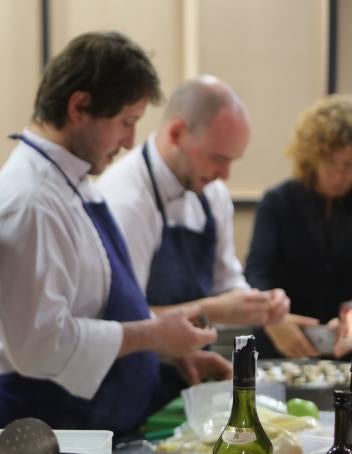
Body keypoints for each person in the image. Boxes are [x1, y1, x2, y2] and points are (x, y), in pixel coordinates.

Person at [0, 32, 232, 438]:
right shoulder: (29, 202)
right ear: (80, 107)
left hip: (92, 429)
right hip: (41, 441)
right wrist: (154, 334)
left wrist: (171, 353)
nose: (130, 141)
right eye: (125, 122)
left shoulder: (74, 179)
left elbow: (100, 308)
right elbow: (41, 345)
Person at [98, 76, 289, 340]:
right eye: (217, 158)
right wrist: (209, 311)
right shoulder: (127, 201)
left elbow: (226, 282)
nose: (225, 174)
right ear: (176, 134)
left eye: (232, 161)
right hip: (136, 370)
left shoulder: (213, 193)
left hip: (193, 360)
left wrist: (260, 304)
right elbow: (123, 323)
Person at [245, 94, 352, 358]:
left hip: (344, 351)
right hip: (281, 346)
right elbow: (256, 274)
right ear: (311, 158)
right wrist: (273, 318)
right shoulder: (277, 203)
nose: (339, 176)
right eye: (330, 164)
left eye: (349, 165)